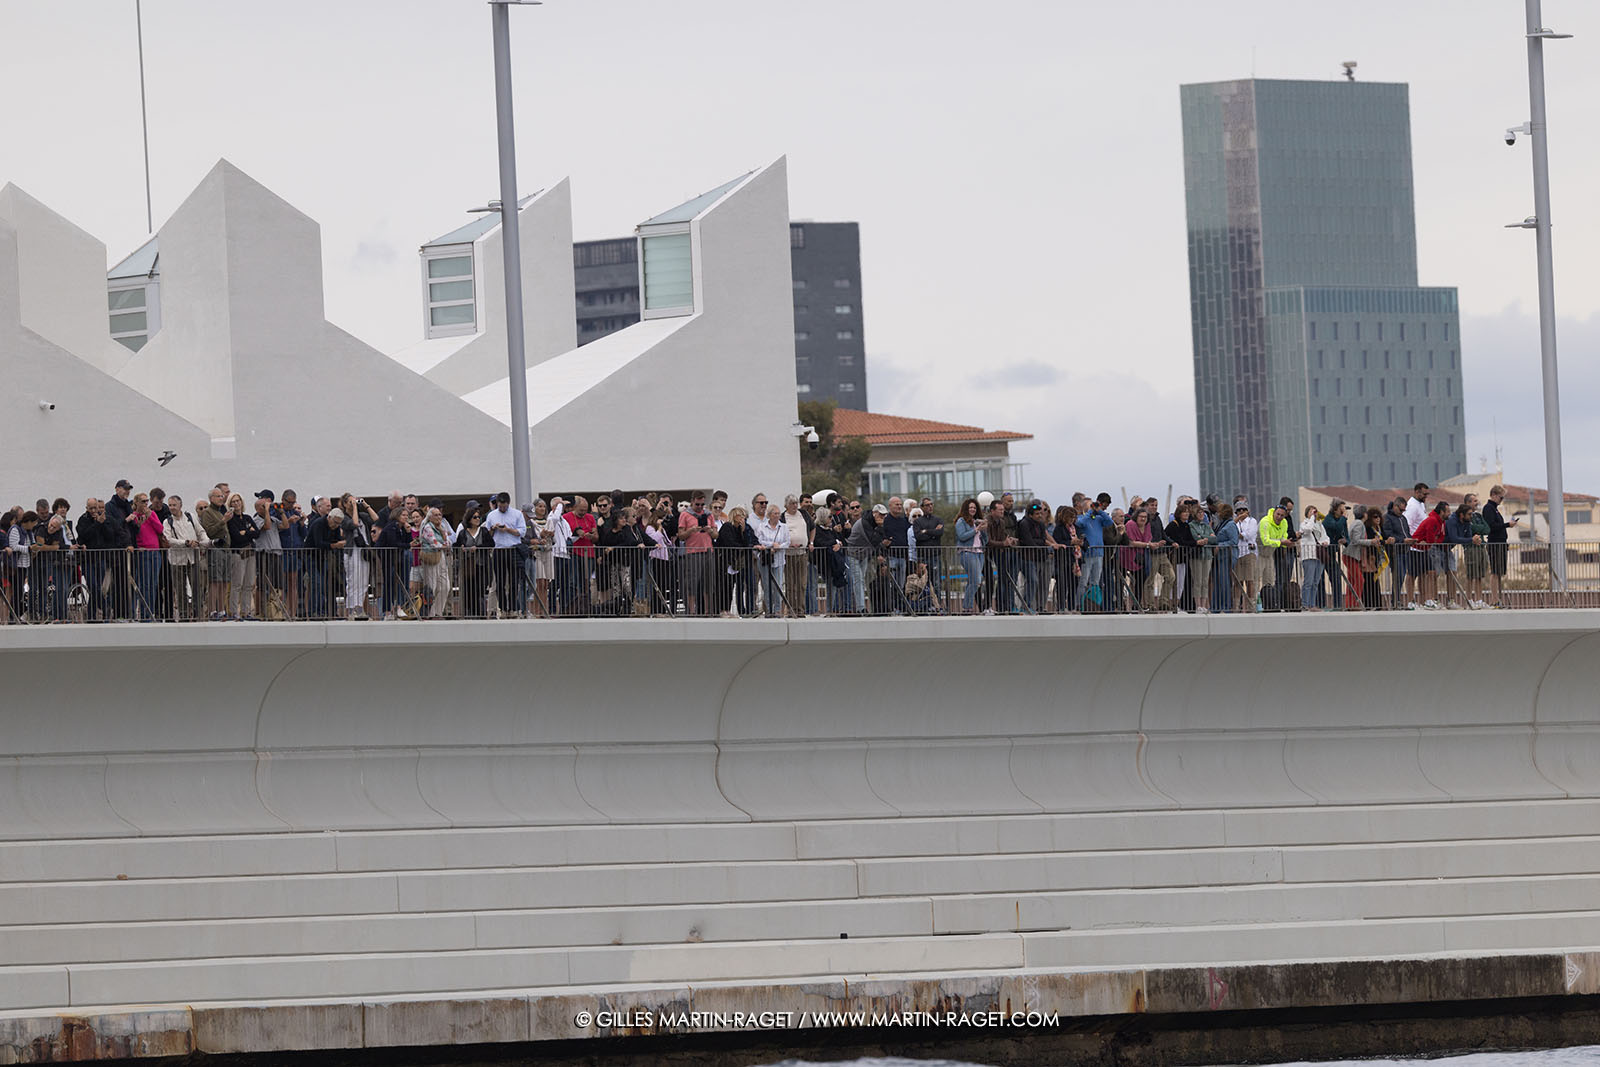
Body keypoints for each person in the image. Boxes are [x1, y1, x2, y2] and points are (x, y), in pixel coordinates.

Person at [164, 495, 209, 621]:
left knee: (197, 587)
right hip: (177, 560)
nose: (172, 507)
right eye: (170, 505)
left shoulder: (190, 517)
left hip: (193, 558)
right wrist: (186, 542)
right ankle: (183, 615)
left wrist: (205, 542)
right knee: (180, 589)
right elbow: (168, 540)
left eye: (174, 505)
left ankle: (197, 614)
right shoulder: (167, 522)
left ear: (180, 505)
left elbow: (201, 532)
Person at [483, 492, 526, 617]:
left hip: (513, 548)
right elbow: (488, 535)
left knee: (513, 581)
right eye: (500, 506)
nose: (502, 508)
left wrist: (507, 529)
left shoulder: (517, 514)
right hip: (499, 549)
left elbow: (521, 532)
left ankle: (513, 608)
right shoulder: (491, 515)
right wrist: (493, 529)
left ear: (508, 503)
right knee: (500, 582)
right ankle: (502, 608)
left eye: (504, 506)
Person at [1074, 496, 1115, 612]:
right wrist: (1090, 512)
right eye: (1090, 505)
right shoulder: (1082, 517)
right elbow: (1080, 523)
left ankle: (1092, 605)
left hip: (1099, 553)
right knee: (1083, 581)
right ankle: (1079, 605)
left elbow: (1109, 521)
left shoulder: (1098, 518)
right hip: (1087, 554)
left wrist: (1099, 511)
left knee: (1095, 582)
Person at [1445, 502, 1484, 610]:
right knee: (1433, 575)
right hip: (1437, 548)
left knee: (1453, 573)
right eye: (1469, 514)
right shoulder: (1452, 520)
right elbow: (1454, 538)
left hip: (1448, 550)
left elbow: (1468, 536)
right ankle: (1432, 600)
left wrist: (1475, 539)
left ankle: (1451, 601)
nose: (1471, 516)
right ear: (1461, 515)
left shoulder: (1467, 522)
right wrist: (1471, 539)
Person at [1483, 485, 1517, 608]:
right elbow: (1491, 526)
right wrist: (1507, 524)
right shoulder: (1488, 508)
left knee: (1499, 572)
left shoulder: (1495, 509)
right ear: (1493, 495)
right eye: (1500, 498)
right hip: (1495, 543)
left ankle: (1497, 598)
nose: (1501, 500)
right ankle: (1494, 599)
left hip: (1501, 543)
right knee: (1495, 571)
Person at [454, 505, 491, 618]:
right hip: (468, 566)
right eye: (475, 517)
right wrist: (462, 548)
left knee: (479, 590)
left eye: (479, 517)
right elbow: (455, 546)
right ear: (469, 519)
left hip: (481, 565)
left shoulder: (484, 531)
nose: (478, 519)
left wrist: (478, 547)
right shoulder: (463, 533)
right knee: (468, 590)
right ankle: (469, 613)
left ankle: (480, 613)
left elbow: (491, 543)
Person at [1411, 500, 1449, 610]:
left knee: (1432, 573)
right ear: (1441, 512)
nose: (1449, 513)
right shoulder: (1432, 520)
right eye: (1447, 511)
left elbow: (1440, 538)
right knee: (1419, 575)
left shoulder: (1442, 522)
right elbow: (1430, 538)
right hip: (1417, 549)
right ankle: (1425, 600)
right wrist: (1431, 540)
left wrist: (1433, 540)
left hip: (1426, 549)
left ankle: (1430, 599)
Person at [955, 499, 985, 615]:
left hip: (979, 553)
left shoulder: (976, 521)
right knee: (976, 580)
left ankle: (967, 607)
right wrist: (975, 530)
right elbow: (962, 536)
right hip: (967, 552)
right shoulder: (961, 521)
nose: (973, 509)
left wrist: (984, 530)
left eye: (974, 508)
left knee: (975, 581)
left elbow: (984, 540)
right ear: (966, 509)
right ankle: (967, 607)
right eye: (970, 507)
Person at [781, 495, 810, 618]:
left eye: (796, 503)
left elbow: (812, 527)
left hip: (802, 553)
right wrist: (789, 544)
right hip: (788, 554)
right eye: (792, 503)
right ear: (786, 505)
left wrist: (811, 542)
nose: (795, 506)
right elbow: (780, 533)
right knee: (790, 583)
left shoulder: (803, 514)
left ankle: (800, 609)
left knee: (802, 583)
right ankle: (791, 609)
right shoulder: (783, 517)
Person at [1298, 505, 1329, 612]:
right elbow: (1307, 529)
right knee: (1308, 581)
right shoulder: (1304, 523)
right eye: (1312, 512)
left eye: (1315, 512)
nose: (1315, 514)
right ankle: (1305, 604)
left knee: (1316, 581)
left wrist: (1325, 542)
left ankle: (1312, 604)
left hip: (1319, 555)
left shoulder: (1319, 525)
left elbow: (1325, 537)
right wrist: (1311, 517)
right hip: (1309, 555)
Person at [1232, 500, 1260, 612]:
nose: (1242, 512)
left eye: (1244, 509)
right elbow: (1231, 532)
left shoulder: (1252, 521)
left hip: (1249, 553)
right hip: (1237, 553)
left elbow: (1250, 534)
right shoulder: (1234, 522)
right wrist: (1237, 521)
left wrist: (1240, 535)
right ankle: (1236, 606)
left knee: (1250, 580)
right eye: (1239, 510)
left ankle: (1250, 605)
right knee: (1238, 582)